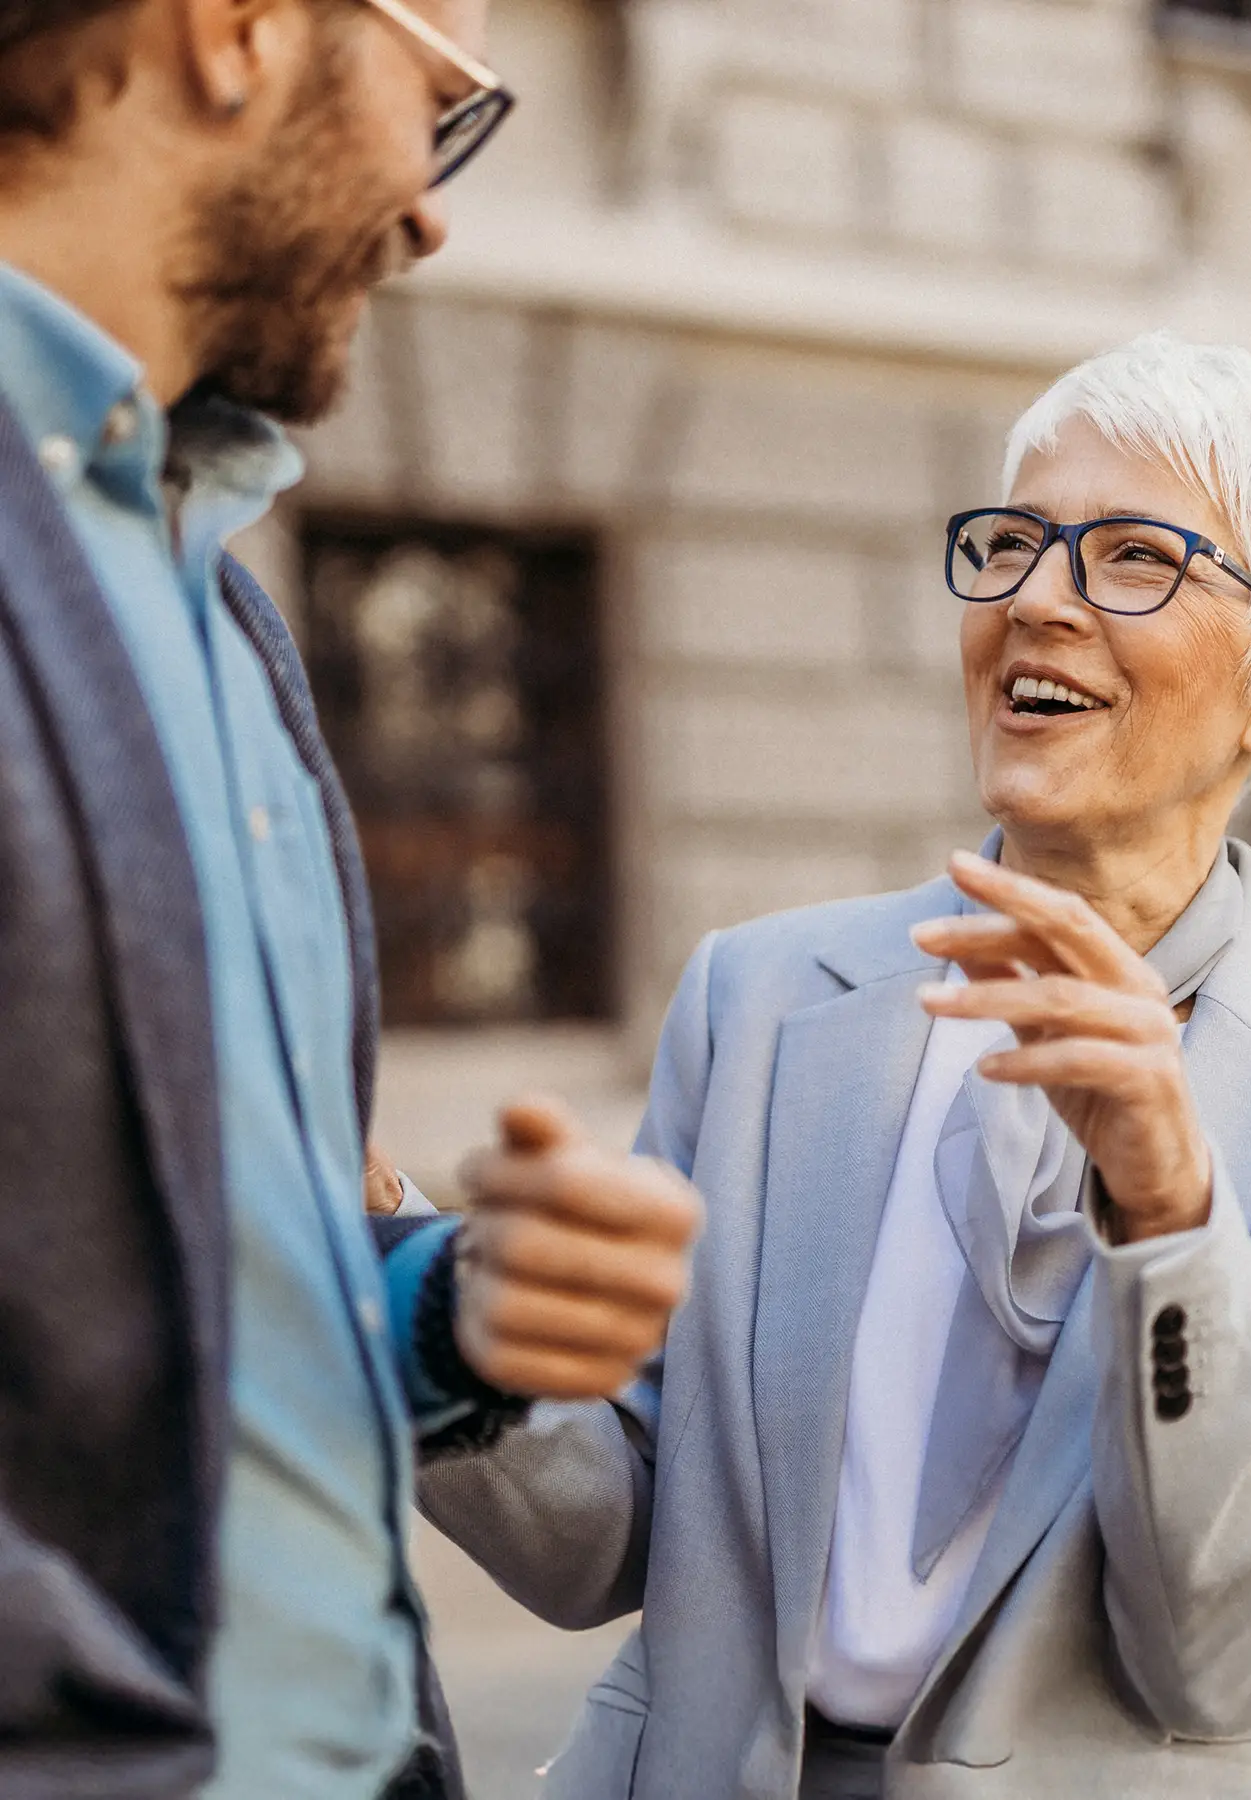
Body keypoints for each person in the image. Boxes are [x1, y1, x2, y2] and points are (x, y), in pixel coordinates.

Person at [422, 331, 1251, 1799]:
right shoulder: (763, 996)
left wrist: (1165, 1213)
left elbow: (1228, 1654)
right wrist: (429, 1294)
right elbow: (615, 1539)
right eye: (1014, 543)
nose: (1035, 599)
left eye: (1132, 559)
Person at [0, 3, 702, 1798]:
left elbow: (165, 1270)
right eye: (441, 109)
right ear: (235, 32)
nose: (429, 210)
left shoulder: (225, 606)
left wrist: (443, 1314)